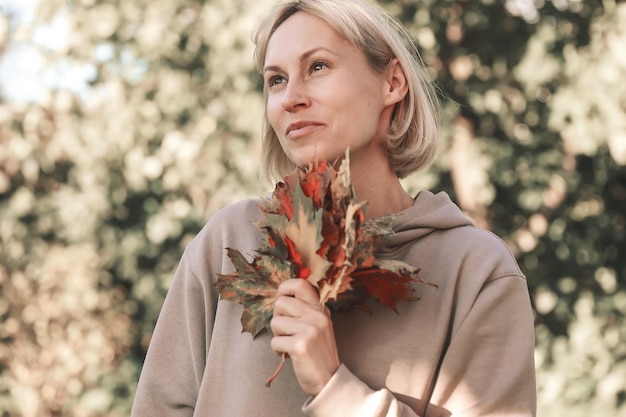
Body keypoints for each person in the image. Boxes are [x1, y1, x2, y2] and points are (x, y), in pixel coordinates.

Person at [131, 0, 537, 416]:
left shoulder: (477, 273)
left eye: (318, 67)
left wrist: (333, 388)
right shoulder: (229, 239)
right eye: (275, 80)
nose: (290, 98)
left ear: (392, 82)